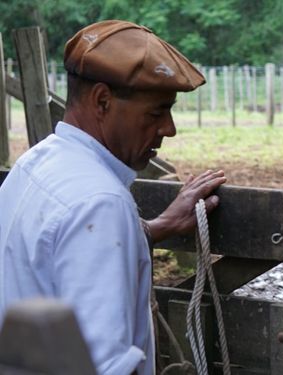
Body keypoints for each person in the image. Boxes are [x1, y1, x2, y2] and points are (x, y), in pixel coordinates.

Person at [0, 20, 225, 374]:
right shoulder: (102, 201)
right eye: (156, 112)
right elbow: (105, 365)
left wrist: (156, 228)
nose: (169, 128)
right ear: (102, 101)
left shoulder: (36, 163)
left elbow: (53, 255)